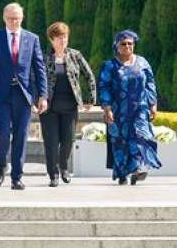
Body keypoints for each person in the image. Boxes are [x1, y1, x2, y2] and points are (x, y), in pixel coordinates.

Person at [0, 2, 48, 190]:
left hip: (24, 95)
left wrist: (43, 95)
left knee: (21, 135)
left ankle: (17, 176)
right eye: (10, 18)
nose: (13, 22)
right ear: (4, 18)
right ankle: (2, 163)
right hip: (1, 94)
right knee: (2, 131)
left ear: (22, 18)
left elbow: (39, 68)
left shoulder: (32, 39)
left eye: (16, 18)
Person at [98, 30, 161, 185]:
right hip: (118, 110)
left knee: (142, 136)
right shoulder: (110, 66)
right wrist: (107, 108)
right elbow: (104, 86)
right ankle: (122, 174)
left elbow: (150, 83)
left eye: (130, 44)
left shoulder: (142, 63)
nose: (127, 46)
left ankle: (138, 168)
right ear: (117, 46)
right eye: (123, 44)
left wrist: (153, 104)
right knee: (120, 142)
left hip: (140, 108)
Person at [40, 22, 96, 187]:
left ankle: (64, 168)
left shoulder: (75, 55)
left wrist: (91, 98)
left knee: (68, 140)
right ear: (51, 40)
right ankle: (53, 174)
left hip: (70, 105)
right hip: (49, 107)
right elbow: (34, 79)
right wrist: (36, 99)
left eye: (65, 37)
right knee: (51, 142)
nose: (62, 41)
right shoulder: (44, 57)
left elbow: (89, 76)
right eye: (59, 38)